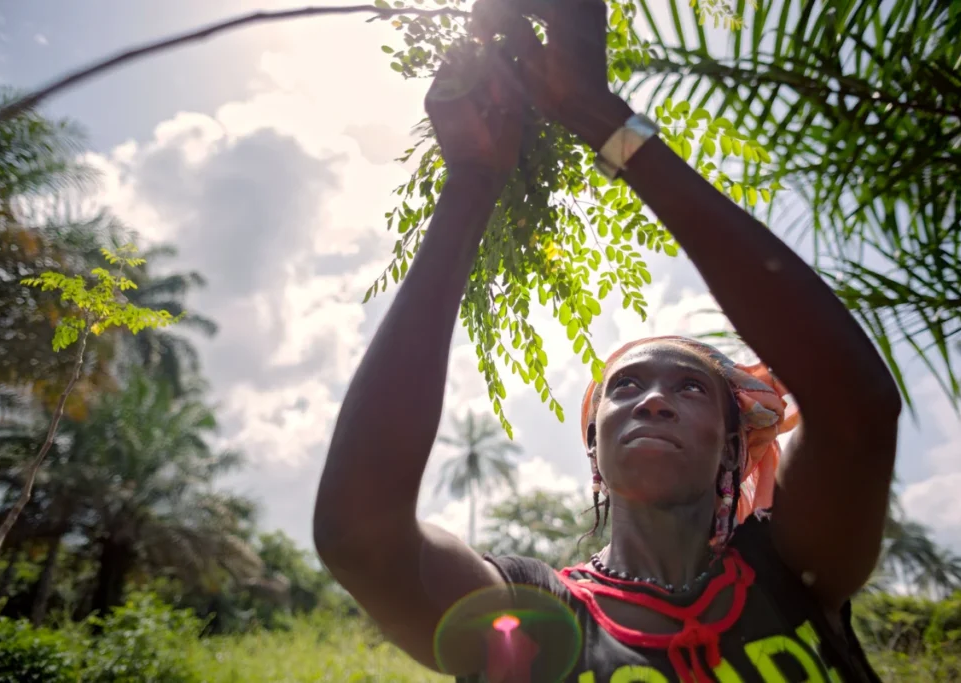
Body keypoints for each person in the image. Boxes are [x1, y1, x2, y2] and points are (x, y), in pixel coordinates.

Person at [313, 0, 901, 680]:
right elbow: (361, 537)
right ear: (593, 450)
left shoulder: (794, 569)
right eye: (626, 387)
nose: (653, 400)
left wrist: (607, 122)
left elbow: (858, 410)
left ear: (734, 445)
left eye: (689, 387)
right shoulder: (534, 617)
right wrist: (472, 183)